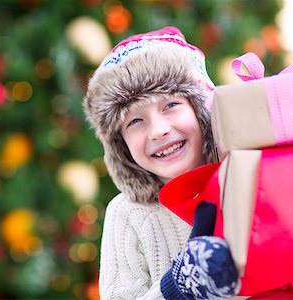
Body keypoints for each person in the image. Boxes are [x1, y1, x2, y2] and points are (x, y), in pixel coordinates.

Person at [83, 26, 240, 299]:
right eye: (135, 121)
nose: (158, 130)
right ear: (121, 145)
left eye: (170, 106)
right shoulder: (127, 213)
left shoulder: (246, 179)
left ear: (202, 111)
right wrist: (178, 288)